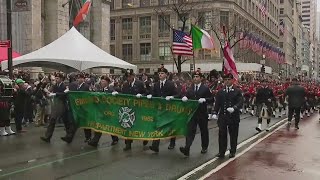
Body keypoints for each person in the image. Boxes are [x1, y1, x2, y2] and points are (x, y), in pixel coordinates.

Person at [179, 71, 212, 156]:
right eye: (194, 77)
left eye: (197, 76)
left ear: (201, 78)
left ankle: (204, 147)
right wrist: (185, 97)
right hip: (193, 113)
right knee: (190, 131)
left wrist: (205, 99)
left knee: (203, 130)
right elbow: (186, 94)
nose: (195, 78)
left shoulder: (205, 88)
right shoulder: (191, 87)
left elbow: (211, 99)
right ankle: (187, 148)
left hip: (202, 113)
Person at [212, 74, 243, 158]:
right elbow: (217, 103)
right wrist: (215, 112)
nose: (227, 81)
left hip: (233, 117)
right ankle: (221, 152)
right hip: (223, 116)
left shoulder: (237, 91)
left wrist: (234, 108)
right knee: (222, 134)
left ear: (232, 80)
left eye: (229, 79)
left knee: (233, 135)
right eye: (225, 79)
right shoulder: (221, 91)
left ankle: (232, 151)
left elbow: (240, 102)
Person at [149, 67, 177, 153]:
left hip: (169, 109)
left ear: (166, 75)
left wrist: (172, 97)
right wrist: (150, 96)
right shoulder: (156, 84)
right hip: (159, 109)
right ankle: (155, 146)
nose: (160, 75)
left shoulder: (171, 84)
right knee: (158, 126)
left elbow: (177, 94)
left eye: (162, 73)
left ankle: (172, 142)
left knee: (171, 126)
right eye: (159, 74)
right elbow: (153, 94)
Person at [40, 73, 74, 143]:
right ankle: (47, 137)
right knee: (52, 120)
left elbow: (64, 95)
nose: (56, 79)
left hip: (63, 105)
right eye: (56, 78)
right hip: (56, 105)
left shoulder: (64, 86)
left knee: (66, 122)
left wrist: (55, 94)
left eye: (57, 78)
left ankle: (69, 137)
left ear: (61, 79)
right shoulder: (55, 85)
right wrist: (46, 90)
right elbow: (49, 92)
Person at [88, 75, 119, 147]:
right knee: (99, 125)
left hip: (109, 111)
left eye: (103, 81)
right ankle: (95, 141)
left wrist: (115, 94)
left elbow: (116, 100)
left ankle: (115, 139)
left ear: (107, 82)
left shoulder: (111, 90)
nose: (102, 82)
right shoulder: (99, 90)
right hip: (101, 111)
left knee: (111, 126)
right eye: (101, 81)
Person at [121, 69, 148, 151]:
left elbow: (147, 92)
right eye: (127, 77)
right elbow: (123, 95)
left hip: (139, 108)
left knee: (140, 124)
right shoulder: (125, 85)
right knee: (128, 125)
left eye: (130, 76)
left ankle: (145, 138)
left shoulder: (140, 83)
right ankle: (128, 143)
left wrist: (142, 95)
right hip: (129, 108)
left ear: (133, 76)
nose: (129, 78)